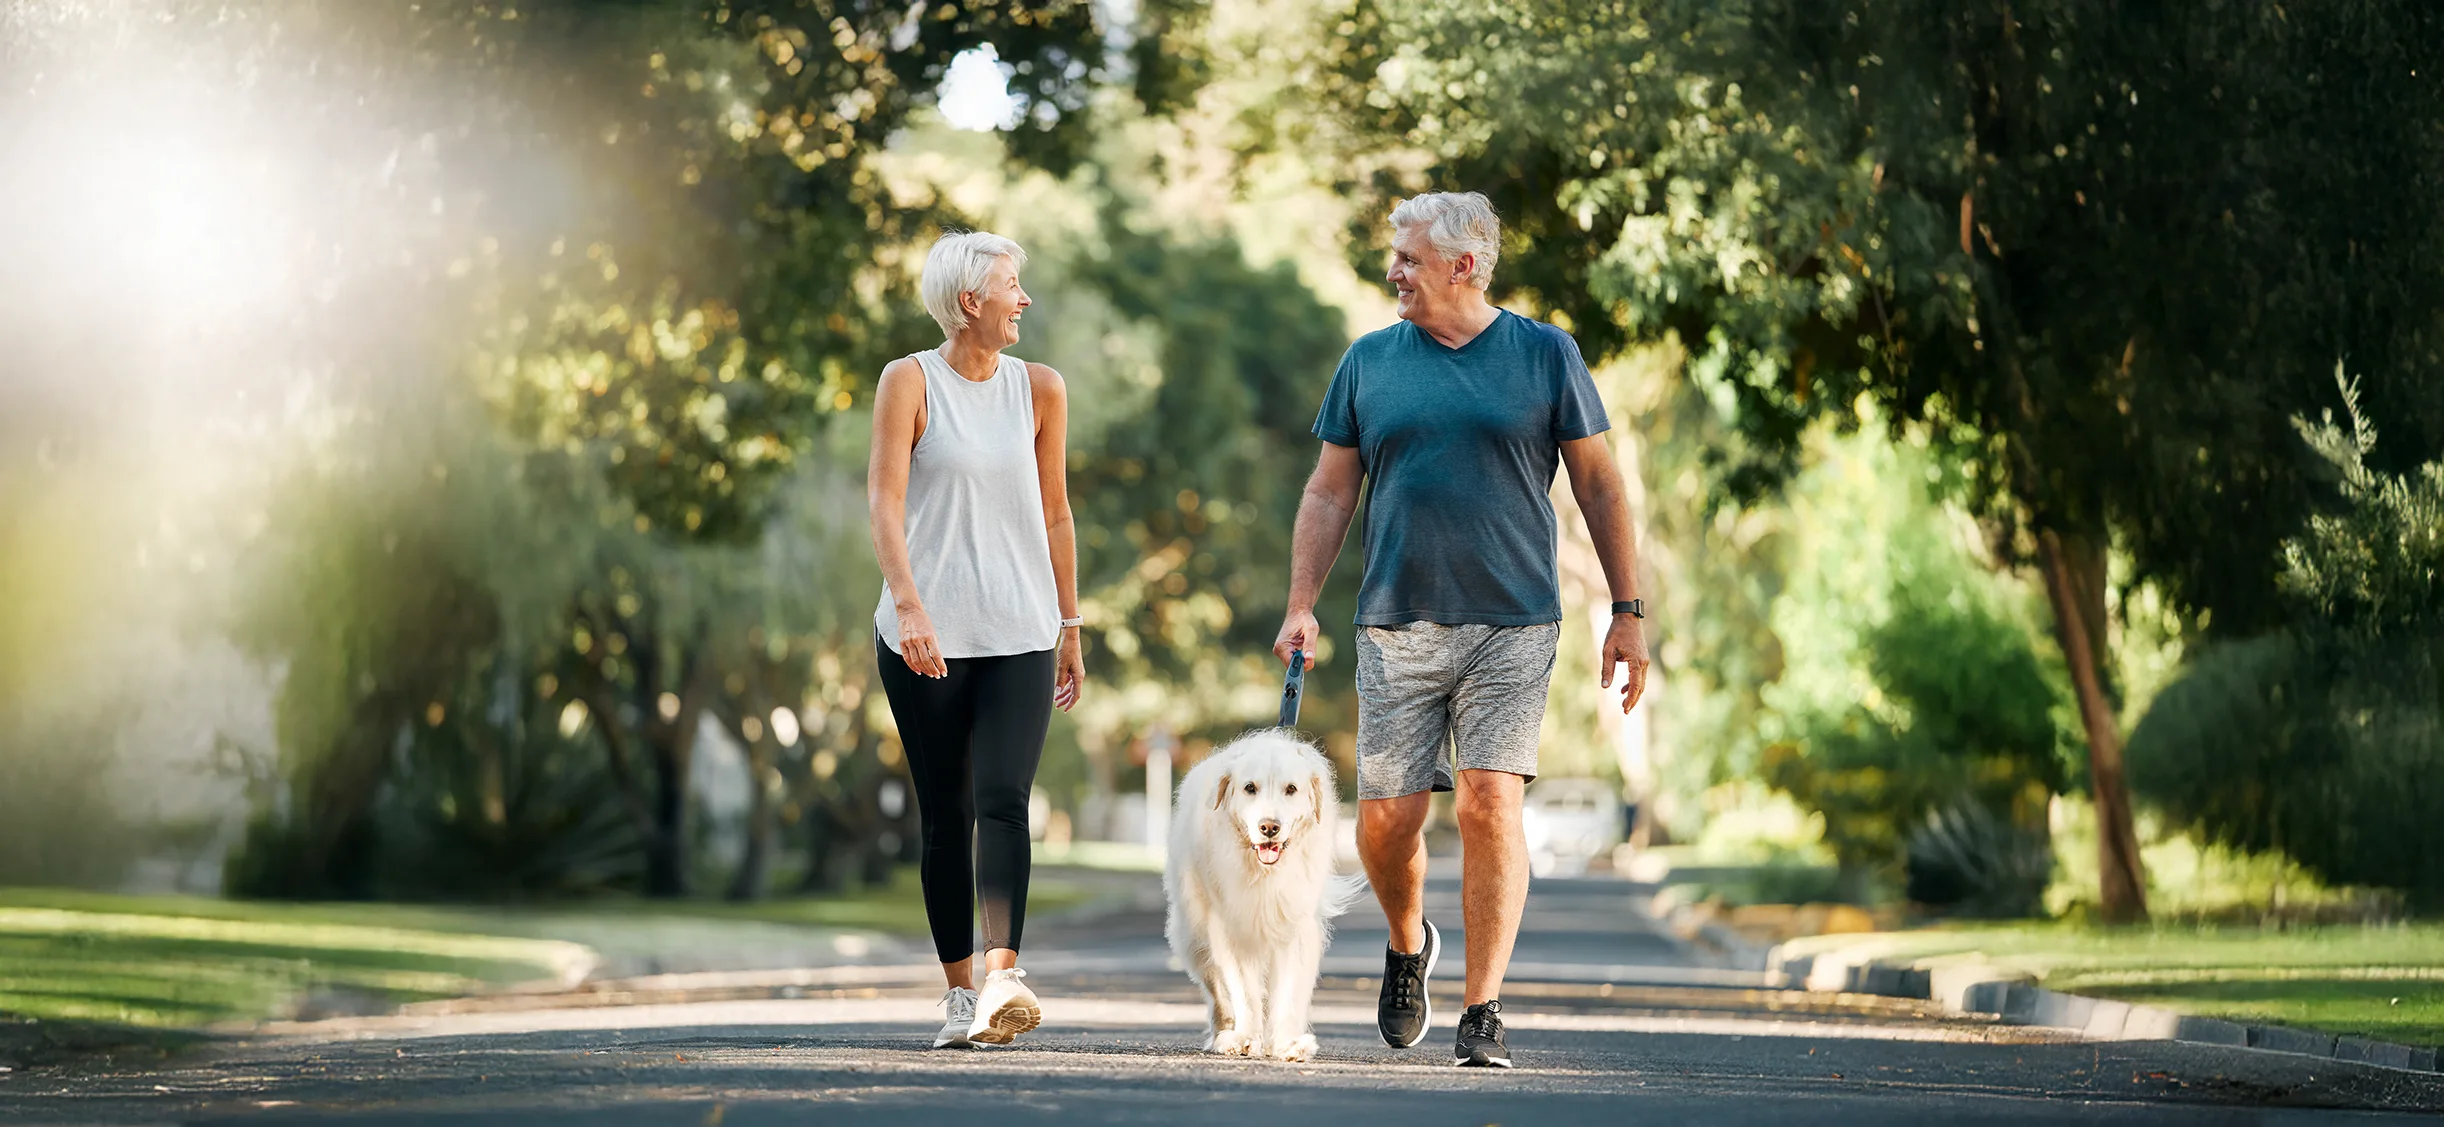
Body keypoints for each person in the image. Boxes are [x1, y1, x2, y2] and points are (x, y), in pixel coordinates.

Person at [1272, 192, 1650, 1069]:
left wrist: (1627, 611)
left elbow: (1599, 484)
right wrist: (1301, 602)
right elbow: (1330, 492)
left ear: (1463, 266)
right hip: (1394, 619)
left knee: (1490, 798)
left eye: (1407, 257)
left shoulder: (1546, 354)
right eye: (1395, 256)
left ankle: (1483, 1007)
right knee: (1386, 822)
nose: (1393, 271)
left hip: (1514, 619)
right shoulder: (1369, 361)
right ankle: (1410, 945)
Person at [869, 230, 1085, 1049]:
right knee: (946, 809)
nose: (1023, 299)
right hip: (926, 634)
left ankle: (1002, 978)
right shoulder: (908, 381)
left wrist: (1069, 623)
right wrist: (911, 606)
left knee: (1004, 800)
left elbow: (1058, 511)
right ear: (970, 302)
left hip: (1021, 628)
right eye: (1010, 286)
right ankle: (959, 993)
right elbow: (886, 503)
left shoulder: (1040, 389)